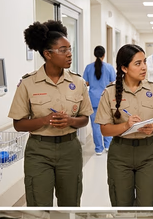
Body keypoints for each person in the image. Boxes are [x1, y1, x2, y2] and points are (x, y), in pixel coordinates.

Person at [8, 20, 92, 207]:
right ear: (47, 54)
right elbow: (18, 124)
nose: (69, 54)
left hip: (70, 149)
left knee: (70, 203)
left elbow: (85, 119)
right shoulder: (28, 83)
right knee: (38, 203)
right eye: (63, 50)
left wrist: (70, 120)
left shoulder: (78, 82)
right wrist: (44, 120)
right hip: (39, 151)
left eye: (69, 49)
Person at [96, 44, 153, 207]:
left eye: (144, 62)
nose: (144, 67)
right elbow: (105, 129)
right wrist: (126, 125)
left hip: (148, 153)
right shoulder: (110, 93)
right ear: (124, 68)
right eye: (138, 63)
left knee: (148, 205)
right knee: (122, 204)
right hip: (120, 154)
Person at [82, 45, 116, 155]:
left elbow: (86, 83)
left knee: (95, 125)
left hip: (93, 99)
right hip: (106, 99)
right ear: (104, 55)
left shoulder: (88, 67)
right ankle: (108, 145)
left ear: (94, 54)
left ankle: (98, 149)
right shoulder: (109, 67)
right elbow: (113, 82)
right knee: (107, 122)